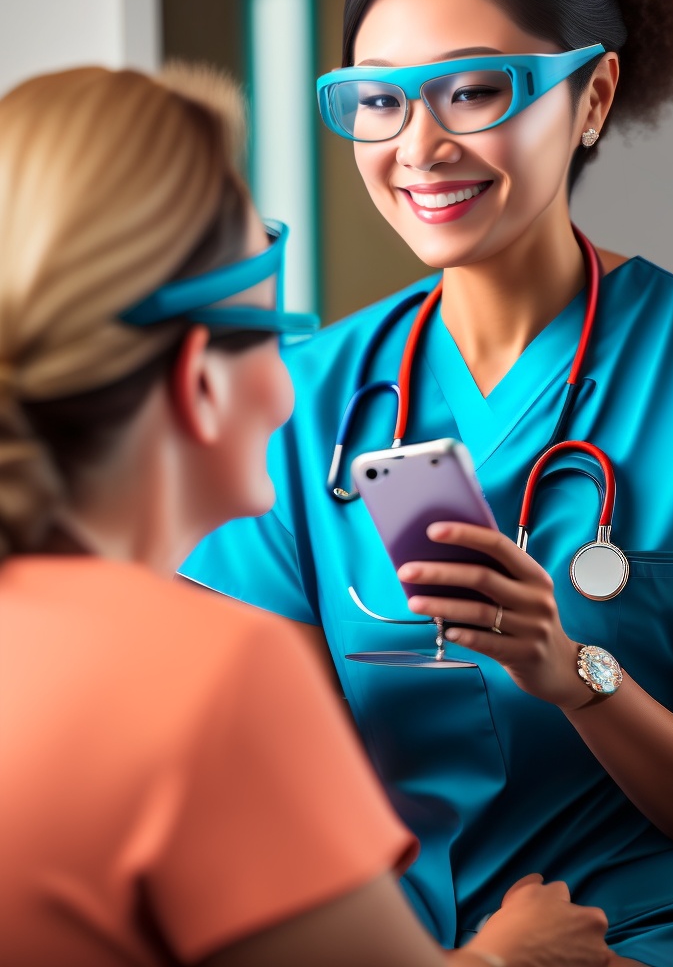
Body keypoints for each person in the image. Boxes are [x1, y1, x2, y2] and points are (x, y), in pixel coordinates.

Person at [182, 0, 673, 966]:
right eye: (379, 96)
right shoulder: (299, 399)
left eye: (475, 90)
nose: (417, 147)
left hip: (639, 940)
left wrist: (573, 669)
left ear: (591, 95)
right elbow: (275, 797)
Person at [0, 64, 612, 967]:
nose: (293, 393)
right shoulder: (208, 677)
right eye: (275, 336)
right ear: (200, 381)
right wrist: (507, 960)